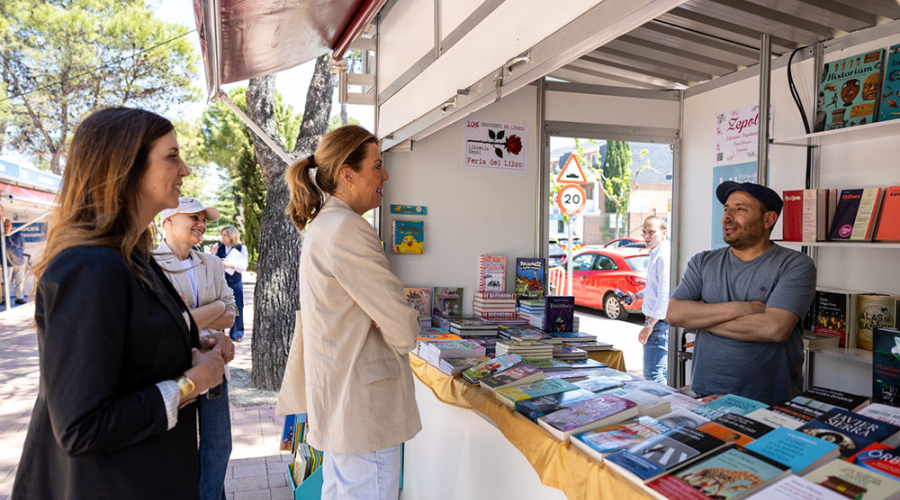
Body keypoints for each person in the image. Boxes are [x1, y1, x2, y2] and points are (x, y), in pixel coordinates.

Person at [12, 107, 229, 500]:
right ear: (126, 168)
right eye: (172, 156)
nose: (184, 170)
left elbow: (130, 357)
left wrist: (195, 349)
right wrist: (190, 383)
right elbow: (82, 427)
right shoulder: (89, 266)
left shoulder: (131, 258)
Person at [278, 125, 421, 500]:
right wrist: (393, 323)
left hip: (343, 400)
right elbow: (403, 327)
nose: (384, 176)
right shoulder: (348, 229)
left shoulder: (324, 225)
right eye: (377, 166)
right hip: (362, 407)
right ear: (347, 174)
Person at [666, 182, 816, 406]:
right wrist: (745, 308)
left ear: (768, 219)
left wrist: (702, 319)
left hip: (769, 401)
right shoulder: (703, 262)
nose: (727, 217)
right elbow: (674, 314)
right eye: (726, 209)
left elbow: (774, 328)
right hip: (704, 394)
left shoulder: (795, 264)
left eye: (740, 209)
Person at [154, 197, 236, 500]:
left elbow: (231, 314)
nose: (201, 224)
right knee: (180, 447)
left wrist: (191, 314)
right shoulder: (150, 264)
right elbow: (164, 324)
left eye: (203, 219)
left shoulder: (212, 263)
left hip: (215, 366)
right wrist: (215, 308)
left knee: (219, 445)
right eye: (193, 217)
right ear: (168, 221)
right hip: (176, 373)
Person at [627, 216, 670, 384]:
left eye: (651, 232)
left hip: (658, 323)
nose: (646, 237)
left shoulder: (663, 256)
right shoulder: (656, 254)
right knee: (660, 373)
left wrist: (649, 325)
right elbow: (654, 288)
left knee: (653, 376)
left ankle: (670, 401)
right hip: (657, 323)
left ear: (663, 233)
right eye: (644, 232)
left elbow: (665, 293)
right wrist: (636, 296)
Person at [211, 225, 248, 341]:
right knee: (219, 307)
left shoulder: (241, 248)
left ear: (231, 236)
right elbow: (212, 263)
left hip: (235, 281)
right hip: (220, 282)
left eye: (224, 235)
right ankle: (219, 333)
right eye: (222, 235)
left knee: (237, 307)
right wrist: (213, 254)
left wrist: (229, 266)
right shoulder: (218, 246)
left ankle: (237, 334)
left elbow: (243, 267)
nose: (222, 237)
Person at [2, 218, 27, 305]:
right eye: (4, 226)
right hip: (7, 263)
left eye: (7, 226)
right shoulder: (2, 236)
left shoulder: (17, 235)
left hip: (19, 262)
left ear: (11, 226)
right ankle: (6, 299)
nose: (6, 228)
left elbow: (22, 247)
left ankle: (19, 298)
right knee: (7, 282)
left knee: (19, 281)